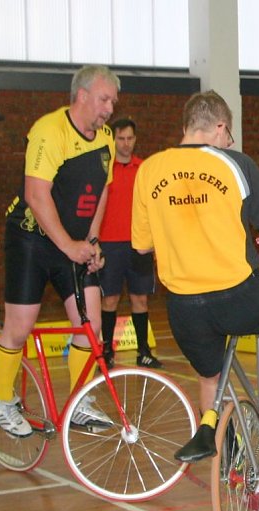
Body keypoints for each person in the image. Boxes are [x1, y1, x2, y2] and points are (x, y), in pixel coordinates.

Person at [131, 89, 259, 462]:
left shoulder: (148, 170)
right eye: (228, 136)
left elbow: (142, 246)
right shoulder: (234, 163)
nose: (229, 143)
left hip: (183, 309)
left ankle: (226, 453)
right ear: (219, 127)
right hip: (236, 298)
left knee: (209, 376)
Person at [0, 65, 120, 437]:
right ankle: (2, 402)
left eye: (112, 100)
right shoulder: (50, 131)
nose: (109, 108)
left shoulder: (105, 138)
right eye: (103, 99)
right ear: (81, 96)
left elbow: (102, 191)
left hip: (76, 245)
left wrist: (91, 241)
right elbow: (35, 195)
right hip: (32, 239)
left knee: (90, 326)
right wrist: (69, 246)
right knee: (20, 325)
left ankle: (79, 401)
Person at [98, 118, 163, 370]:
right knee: (109, 300)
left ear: (136, 139)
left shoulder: (144, 168)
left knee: (140, 299)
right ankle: (106, 351)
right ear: (113, 140)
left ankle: (143, 352)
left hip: (139, 244)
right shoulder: (104, 168)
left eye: (130, 138)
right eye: (121, 138)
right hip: (109, 245)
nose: (125, 144)